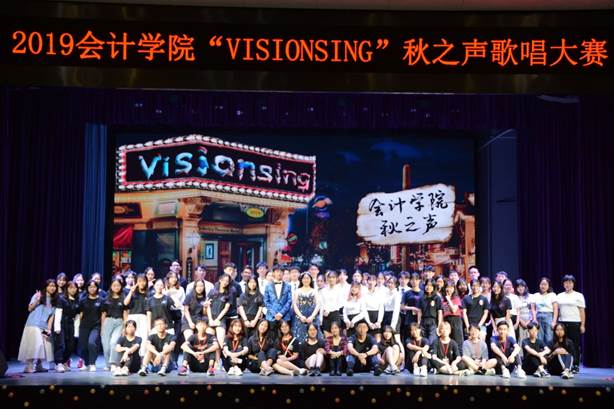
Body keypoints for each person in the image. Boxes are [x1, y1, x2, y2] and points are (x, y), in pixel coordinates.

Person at [19, 279, 57, 373]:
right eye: (50, 286)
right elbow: (30, 308)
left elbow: (51, 316)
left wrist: (49, 329)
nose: (52, 288)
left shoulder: (53, 300)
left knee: (44, 345)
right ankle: (28, 366)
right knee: (34, 345)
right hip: (34, 324)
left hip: (44, 326)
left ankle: (39, 365)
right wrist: (37, 300)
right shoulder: (38, 295)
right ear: (46, 287)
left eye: (54, 286)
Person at [556, 274, 585, 373]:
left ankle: (575, 365)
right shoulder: (559, 295)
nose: (568, 284)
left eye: (570, 282)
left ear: (573, 284)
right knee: (563, 344)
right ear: (563, 284)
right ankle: (565, 364)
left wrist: (582, 325)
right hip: (562, 322)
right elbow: (557, 310)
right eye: (566, 282)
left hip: (574, 322)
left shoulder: (579, 295)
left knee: (574, 345)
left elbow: (582, 311)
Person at [101, 278, 127, 372]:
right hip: (108, 321)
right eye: (114, 285)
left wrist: (124, 327)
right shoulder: (106, 299)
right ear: (111, 287)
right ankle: (107, 364)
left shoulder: (123, 298)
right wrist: (102, 328)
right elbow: (103, 314)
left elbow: (125, 314)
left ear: (121, 287)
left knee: (114, 342)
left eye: (118, 285)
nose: (116, 287)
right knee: (106, 346)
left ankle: (113, 363)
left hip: (119, 322)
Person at [53, 280, 79, 372]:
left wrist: (76, 329)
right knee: (60, 344)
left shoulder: (77, 300)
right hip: (62, 322)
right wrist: (57, 327)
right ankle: (58, 363)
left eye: (75, 288)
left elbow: (77, 315)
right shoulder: (62, 298)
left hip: (71, 323)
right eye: (70, 288)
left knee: (71, 345)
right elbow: (58, 312)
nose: (73, 289)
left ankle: (64, 361)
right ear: (67, 289)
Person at [78, 280, 103, 372]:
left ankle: (92, 363)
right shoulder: (83, 300)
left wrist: (102, 327)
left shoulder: (101, 300)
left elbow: (102, 315)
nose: (92, 289)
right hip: (84, 326)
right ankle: (86, 363)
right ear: (87, 288)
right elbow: (80, 314)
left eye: (94, 287)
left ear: (97, 288)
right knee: (84, 346)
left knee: (92, 343)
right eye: (90, 287)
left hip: (96, 326)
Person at [124, 273, 149, 356]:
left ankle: (142, 358)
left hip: (144, 318)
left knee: (144, 338)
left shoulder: (149, 294)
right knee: (132, 337)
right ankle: (131, 357)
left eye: (144, 281)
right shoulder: (132, 293)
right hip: (132, 317)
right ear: (136, 282)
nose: (142, 283)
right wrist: (131, 292)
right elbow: (125, 303)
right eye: (139, 281)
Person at [263, 265, 293, 335]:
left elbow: (289, 301)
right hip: (271, 317)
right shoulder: (268, 286)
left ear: (283, 273)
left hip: (285, 316)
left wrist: (281, 313)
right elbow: (266, 301)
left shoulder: (288, 286)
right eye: (277, 271)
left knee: (285, 337)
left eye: (281, 271)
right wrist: (274, 313)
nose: (279, 273)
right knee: (271, 337)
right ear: (273, 273)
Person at [292, 272, 321, 342]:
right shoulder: (297, 291)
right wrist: (300, 316)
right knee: (300, 337)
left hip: (312, 317)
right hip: (300, 317)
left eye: (307, 278)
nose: (306, 280)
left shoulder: (314, 291)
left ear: (310, 280)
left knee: (314, 336)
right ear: (301, 280)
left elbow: (318, 304)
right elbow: (294, 305)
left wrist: (312, 316)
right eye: (304, 278)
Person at [181, 279, 208, 344]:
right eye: (198, 286)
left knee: (202, 338)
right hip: (188, 319)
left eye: (201, 286)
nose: (199, 288)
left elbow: (204, 313)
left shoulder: (205, 297)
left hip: (200, 320)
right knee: (189, 339)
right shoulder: (189, 296)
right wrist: (190, 322)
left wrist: (205, 307)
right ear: (195, 287)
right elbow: (186, 310)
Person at [533, 277, 558, 346]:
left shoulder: (552, 295)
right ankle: (540, 351)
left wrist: (554, 321)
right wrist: (534, 319)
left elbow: (555, 309)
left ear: (548, 286)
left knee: (549, 337)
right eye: (542, 284)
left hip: (549, 316)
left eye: (545, 284)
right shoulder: (535, 295)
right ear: (539, 285)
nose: (543, 286)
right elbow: (533, 309)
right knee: (539, 336)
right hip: (538, 316)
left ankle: (549, 352)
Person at [164, 271, 186, 347]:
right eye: (172, 277)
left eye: (175, 277)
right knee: (168, 334)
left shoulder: (181, 289)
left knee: (177, 335)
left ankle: (175, 353)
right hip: (167, 313)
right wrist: (167, 292)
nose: (174, 279)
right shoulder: (164, 290)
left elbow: (183, 303)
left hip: (177, 312)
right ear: (168, 279)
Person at [319, 270, 342, 338]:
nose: (331, 279)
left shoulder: (339, 290)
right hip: (325, 316)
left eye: (333, 277)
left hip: (335, 314)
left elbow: (340, 304)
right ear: (327, 279)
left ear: (336, 279)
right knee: (327, 337)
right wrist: (321, 318)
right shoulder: (323, 290)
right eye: (330, 277)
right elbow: (321, 304)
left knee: (335, 337)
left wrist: (329, 310)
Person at [401, 273, 423, 343]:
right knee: (408, 338)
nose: (414, 281)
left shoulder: (423, 293)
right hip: (409, 318)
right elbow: (402, 307)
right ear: (410, 281)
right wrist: (413, 308)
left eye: (416, 279)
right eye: (412, 280)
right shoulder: (407, 293)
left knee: (419, 338)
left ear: (419, 280)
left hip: (420, 318)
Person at [419, 279, 442, 345]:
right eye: (427, 285)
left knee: (432, 341)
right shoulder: (422, 298)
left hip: (433, 321)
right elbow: (419, 312)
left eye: (431, 285)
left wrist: (439, 326)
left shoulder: (437, 298)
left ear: (434, 287)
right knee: (423, 341)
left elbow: (439, 312)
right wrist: (418, 323)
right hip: (423, 321)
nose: (428, 287)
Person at [442, 280, 464, 348]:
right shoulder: (443, 300)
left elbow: (454, 310)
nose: (449, 289)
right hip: (447, 320)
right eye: (447, 287)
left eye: (451, 287)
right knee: (448, 341)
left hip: (455, 320)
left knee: (457, 340)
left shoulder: (456, 298)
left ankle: (459, 354)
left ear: (454, 289)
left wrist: (449, 300)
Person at [364, 274, 385, 340]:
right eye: (369, 280)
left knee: (377, 338)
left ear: (376, 282)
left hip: (377, 316)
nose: (371, 282)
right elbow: (363, 309)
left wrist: (379, 321)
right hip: (366, 316)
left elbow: (381, 308)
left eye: (373, 280)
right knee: (366, 338)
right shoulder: (364, 292)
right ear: (367, 281)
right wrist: (369, 322)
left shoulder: (379, 293)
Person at [515, 279, 535, 345]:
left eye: (522, 286)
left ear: (525, 287)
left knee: (530, 338)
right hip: (520, 321)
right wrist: (521, 321)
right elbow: (516, 311)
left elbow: (533, 310)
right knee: (521, 339)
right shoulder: (515, 297)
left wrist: (529, 321)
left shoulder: (531, 296)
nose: (520, 288)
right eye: (518, 287)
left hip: (530, 321)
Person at [382, 277, 402, 342]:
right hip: (386, 316)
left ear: (395, 285)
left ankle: (400, 349)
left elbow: (396, 310)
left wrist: (393, 325)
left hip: (394, 316)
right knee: (386, 339)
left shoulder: (397, 294)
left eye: (392, 283)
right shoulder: (385, 293)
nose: (390, 284)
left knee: (396, 339)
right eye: (389, 282)